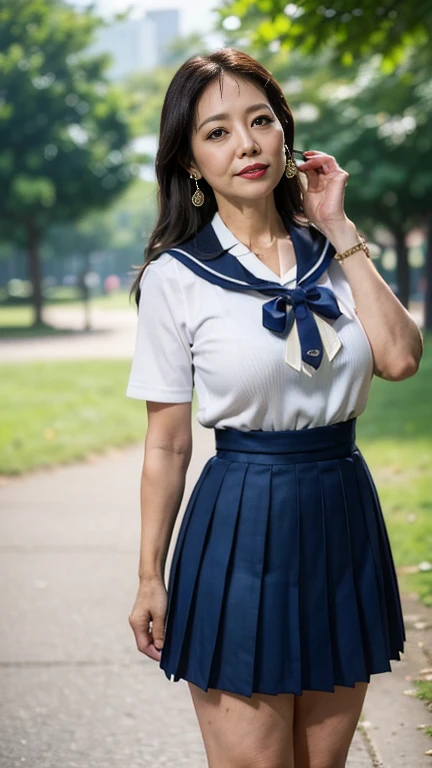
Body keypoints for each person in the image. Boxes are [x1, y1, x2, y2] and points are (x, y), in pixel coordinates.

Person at [126, 48, 423, 768]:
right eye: (217, 131)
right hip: (240, 527)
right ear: (191, 161)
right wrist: (148, 575)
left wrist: (340, 228)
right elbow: (167, 445)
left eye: (260, 121)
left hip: (342, 515)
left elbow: (401, 358)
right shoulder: (177, 278)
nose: (247, 144)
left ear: (286, 135)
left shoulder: (335, 251)